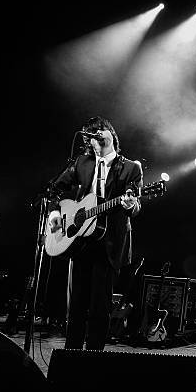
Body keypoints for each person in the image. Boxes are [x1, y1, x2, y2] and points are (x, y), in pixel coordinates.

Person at [48, 116, 143, 350]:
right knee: (77, 306)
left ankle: (92, 361)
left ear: (112, 135)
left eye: (102, 130)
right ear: (89, 142)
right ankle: (70, 357)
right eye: (93, 133)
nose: (98, 134)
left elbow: (135, 202)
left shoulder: (130, 167)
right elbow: (54, 189)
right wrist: (54, 214)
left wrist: (131, 204)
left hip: (109, 244)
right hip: (80, 241)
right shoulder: (81, 163)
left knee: (100, 308)